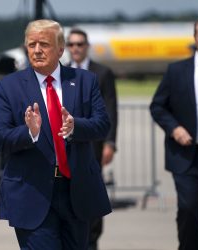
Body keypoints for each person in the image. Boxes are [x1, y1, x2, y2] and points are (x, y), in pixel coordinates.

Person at [0, 19, 111, 250]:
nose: (37, 50)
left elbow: (102, 125)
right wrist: (29, 132)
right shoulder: (8, 87)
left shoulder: (85, 80)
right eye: (31, 44)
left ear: (60, 48)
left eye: (44, 44)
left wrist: (76, 126)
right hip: (32, 192)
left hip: (76, 192)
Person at [150, 16, 198, 250]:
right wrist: (174, 128)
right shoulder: (177, 71)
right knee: (189, 209)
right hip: (186, 156)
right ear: (195, 38)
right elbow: (157, 106)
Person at [66, 28, 118, 250]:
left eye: (80, 44)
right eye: (72, 44)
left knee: (92, 191)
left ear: (87, 46)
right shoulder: (62, 72)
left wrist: (110, 142)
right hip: (67, 144)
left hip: (94, 143)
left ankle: (92, 240)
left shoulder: (102, 72)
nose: (76, 48)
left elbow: (111, 110)